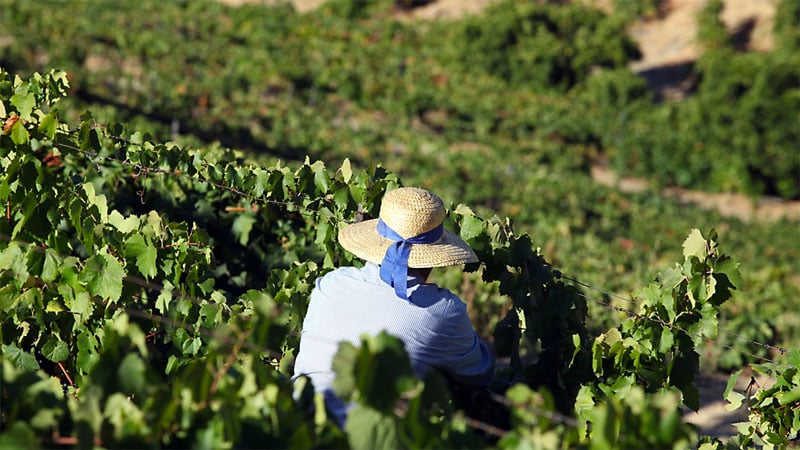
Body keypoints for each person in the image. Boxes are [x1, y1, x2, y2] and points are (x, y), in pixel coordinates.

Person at [292, 187, 495, 427]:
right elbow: (479, 373)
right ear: (433, 259)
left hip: (297, 426)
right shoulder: (444, 311)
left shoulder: (329, 284)